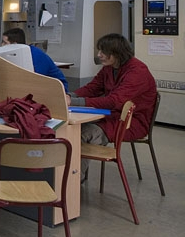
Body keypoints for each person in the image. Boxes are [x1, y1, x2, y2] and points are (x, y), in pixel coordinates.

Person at [65, 33, 157, 181]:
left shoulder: (137, 72)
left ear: (116, 54)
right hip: (113, 116)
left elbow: (114, 101)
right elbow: (93, 88)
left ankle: (74, 180)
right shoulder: (110, 67)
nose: (98, 55)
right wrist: (70, 96)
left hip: (131, 123)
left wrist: (74, 102)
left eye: (103, 52)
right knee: (72, 129)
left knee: (84, 133)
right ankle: (70, 177)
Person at [2, 27, 68, 92]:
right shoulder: (15, 55)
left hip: (56, 90)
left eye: (4, 43)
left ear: (15, 44)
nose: (2, 45)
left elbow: (34, 80)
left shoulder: (35, 54)